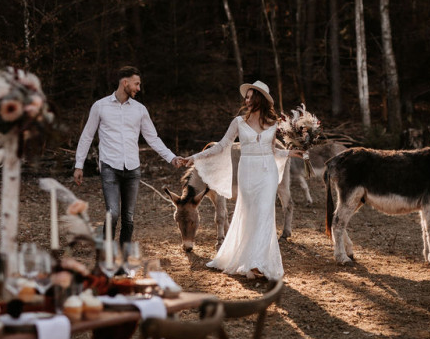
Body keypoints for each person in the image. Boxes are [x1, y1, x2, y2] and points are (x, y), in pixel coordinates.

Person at [184, 80, 302, 280]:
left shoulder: (273, 124)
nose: (247, 101)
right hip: (247, 172)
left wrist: (291, 153)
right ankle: (248, 259)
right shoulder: (238, 122)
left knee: (265, 213)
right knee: (250, 214)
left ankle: (259, 263)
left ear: (260, 100)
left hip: (268, 172)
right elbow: (221, 146)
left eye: (250, 97)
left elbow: (273, 151)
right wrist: (194, 158)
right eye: (245, 97)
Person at [74, 66, 185, 243]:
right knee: (113, 213)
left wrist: (171, 157)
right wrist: (79, 165)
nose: (138, 88)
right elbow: (87, 136)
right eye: (136, 84)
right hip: (110, 166)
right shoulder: (100, 106)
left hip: (133, 168)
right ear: (125, 82)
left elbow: (153, 138)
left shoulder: (140, 110)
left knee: (128, 218)